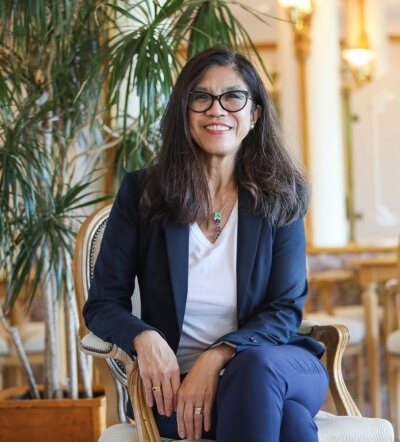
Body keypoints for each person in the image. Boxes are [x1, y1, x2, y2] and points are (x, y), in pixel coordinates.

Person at [83, 45, 329, 442]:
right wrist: (144, 338)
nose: (217, 110)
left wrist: (217, 357)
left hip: (279, 364)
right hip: (176, 391)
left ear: (254, 114)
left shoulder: (280, 195)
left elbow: (285, 310)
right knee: (291, 424)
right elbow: (102, 304)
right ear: (185, 112)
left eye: (233, 97)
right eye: (201, 97)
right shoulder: (144, 193)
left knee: (255, 370)